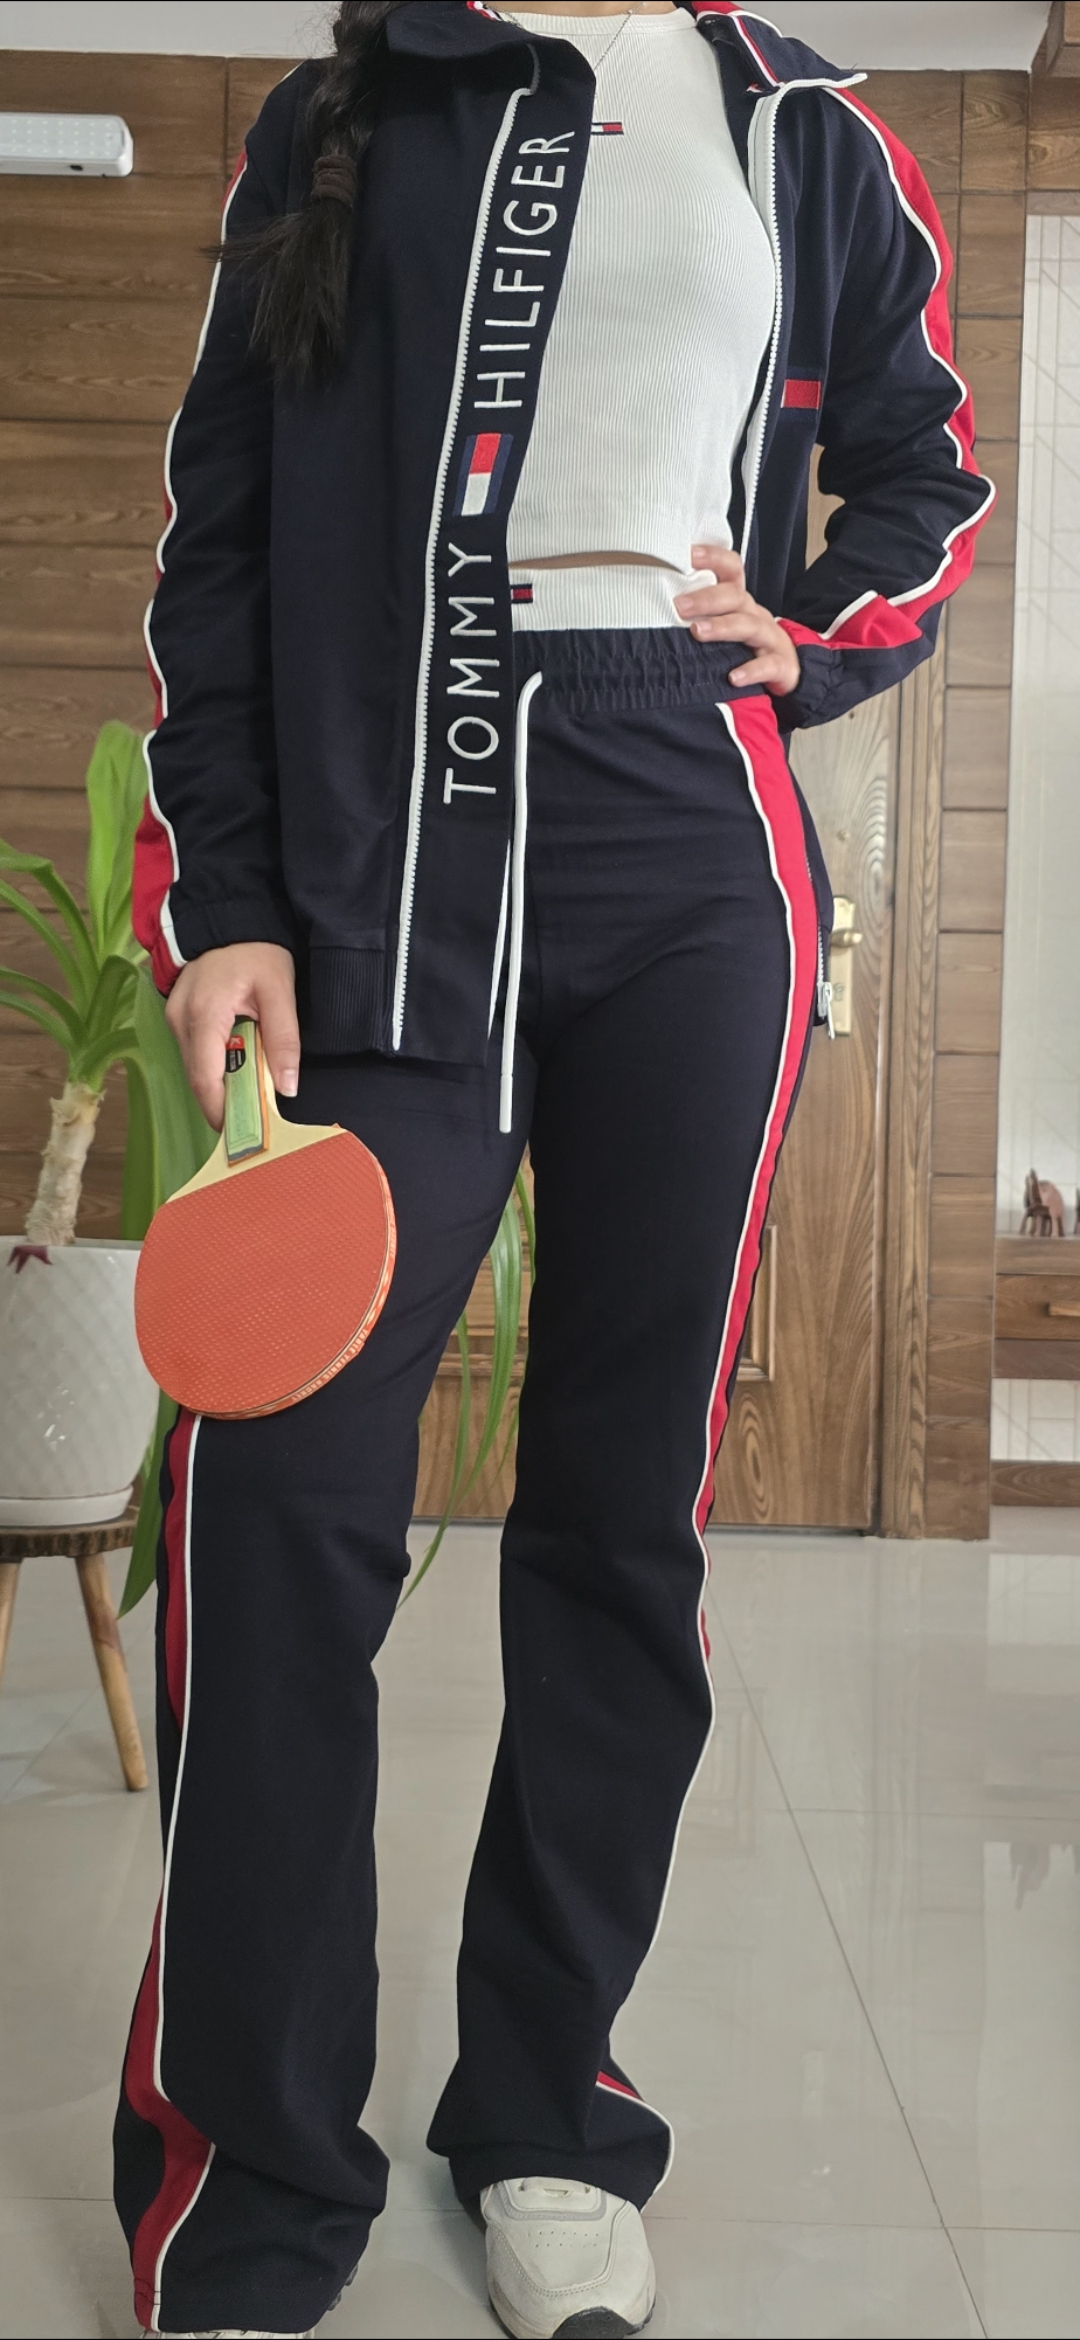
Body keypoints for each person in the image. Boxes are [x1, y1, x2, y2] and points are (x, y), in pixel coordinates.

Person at [113, 4, 993, 2334]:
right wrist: (231, 899)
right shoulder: (344, 112)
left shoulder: (805, 121)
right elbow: (219, 537)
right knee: (274, 1496)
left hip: (688, 836)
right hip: (382, 846)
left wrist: (810, 636)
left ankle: (546, 2114)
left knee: (623, 1514)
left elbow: (929, 475)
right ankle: (254, 2160)